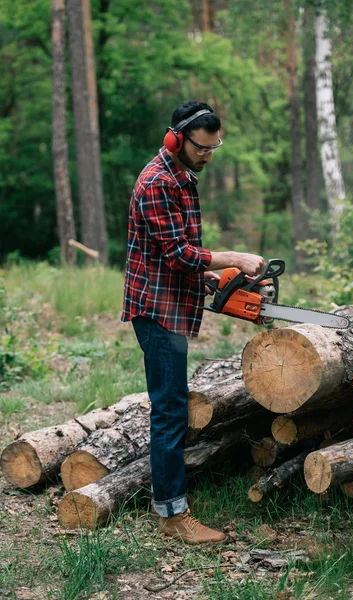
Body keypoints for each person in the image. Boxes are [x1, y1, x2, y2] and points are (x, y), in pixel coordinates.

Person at [121, 100, 266, 544]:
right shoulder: (157, 183)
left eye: (213, 148)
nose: (207, 155)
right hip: (156, 308)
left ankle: (171, 501)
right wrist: (232, 257)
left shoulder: (183, 176)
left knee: (173, 407)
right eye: (201, 148)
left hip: (173, 302)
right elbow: (177, 252)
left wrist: (208, 276)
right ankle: (171, 515)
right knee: (169, 411)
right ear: (176, 138)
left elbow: (180, 255)